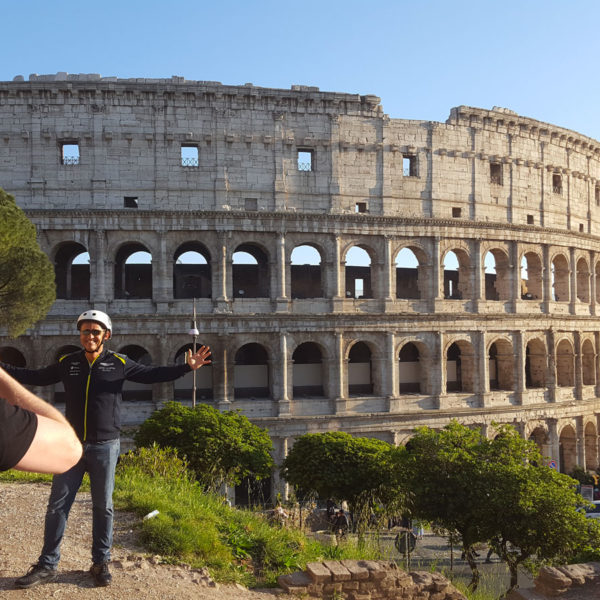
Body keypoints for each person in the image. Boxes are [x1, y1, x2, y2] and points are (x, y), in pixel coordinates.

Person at [1, 310, 211, 589]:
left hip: (105, 446)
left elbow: (153, 375)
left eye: (95, 332)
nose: (89, 336)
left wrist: (186, 367)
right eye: (85, 331)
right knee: (57, 506)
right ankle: (47, 565)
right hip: (72, 447)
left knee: (104, 507)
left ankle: (101, 563)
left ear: (106, 336)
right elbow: (34, 376)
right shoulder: (68, 362)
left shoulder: (120, 363)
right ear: (80, 335)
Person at [0, 366, 82, 474]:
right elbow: (38, 377)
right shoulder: (68, 361)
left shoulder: (112, 360)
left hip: (104, 440)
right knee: (62, 489)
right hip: (60, 439)